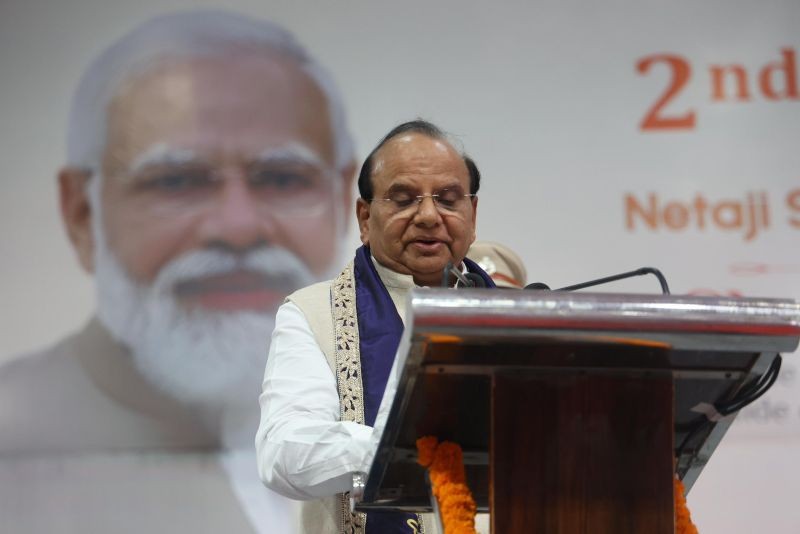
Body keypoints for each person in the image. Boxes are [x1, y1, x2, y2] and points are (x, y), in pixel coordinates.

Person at [0, 10, 354, 534]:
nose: (238, 228)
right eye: (176, 181)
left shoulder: (401, 413)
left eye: (282, 178)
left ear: (344, 201)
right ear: (81, 215)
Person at [256, 120, 494, 533]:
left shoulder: (516, 320)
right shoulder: (313, 314)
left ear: (472, 215)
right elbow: (284, 453)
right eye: (403, 199)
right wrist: (407, 451)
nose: (428, 216)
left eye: (448, 200)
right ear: (365, 218)